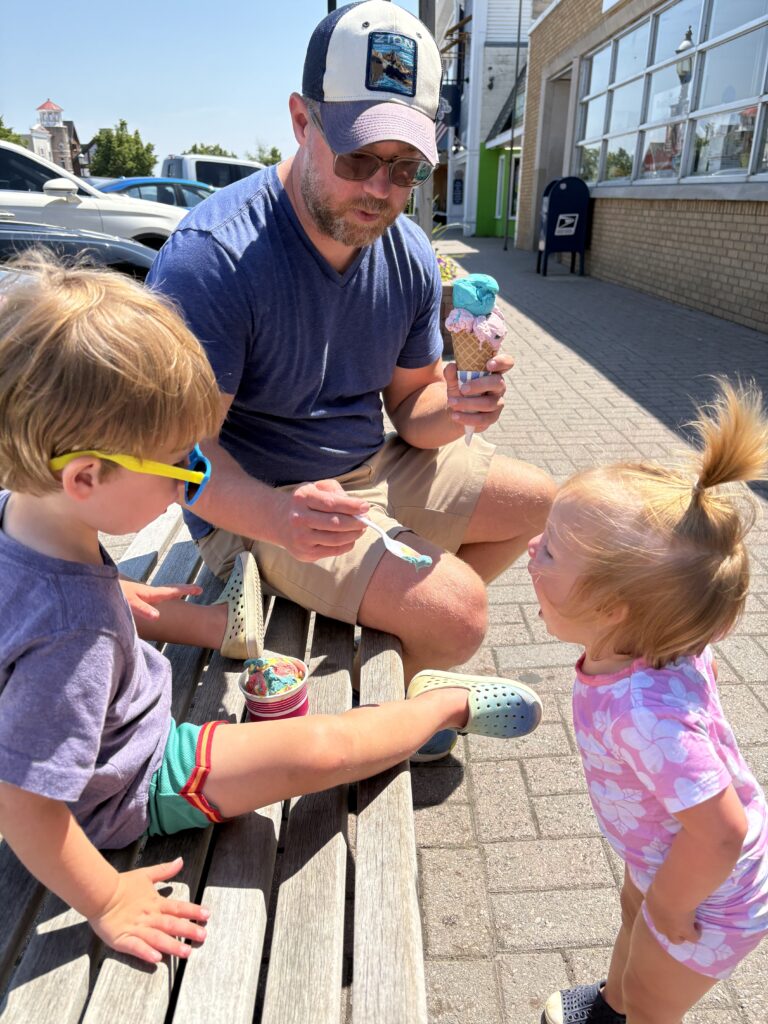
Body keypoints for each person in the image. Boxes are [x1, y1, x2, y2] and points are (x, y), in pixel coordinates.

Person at [0, 256, 543, 965]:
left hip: (108, 700)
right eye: (179, 468)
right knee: (323, 750)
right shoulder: (72, 630)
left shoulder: (27, 518)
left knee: (162, 616)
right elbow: (26, 804)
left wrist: (120, 598)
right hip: (131, 782)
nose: (191, 485)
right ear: (84, 477)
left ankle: (217, 625)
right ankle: (441, 708)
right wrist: (107, 900)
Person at [145, 0, 555, 761]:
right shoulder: (215, 260)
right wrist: (273, 514)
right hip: (264, 500)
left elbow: (410, 408)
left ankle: (396, 632)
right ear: (302, 121)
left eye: (404, 169)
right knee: (461, 613)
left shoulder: (403, 250)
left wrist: (459, 407)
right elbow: (177, 460)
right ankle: (398, 661)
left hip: (367, 470)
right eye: (359, 158)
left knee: (545, 507)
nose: (379, 190)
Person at [526, 379, 768, 1024]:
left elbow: (722, 831)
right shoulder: (662, 640)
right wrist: (654, 895)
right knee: (632, 925)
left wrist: (671, 904)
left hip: (710, 893)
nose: (530, 549)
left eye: (549, 549)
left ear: (611, 609)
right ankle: (610, 1007)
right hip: (666, 849)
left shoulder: (642, 712)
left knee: (652, 1002)